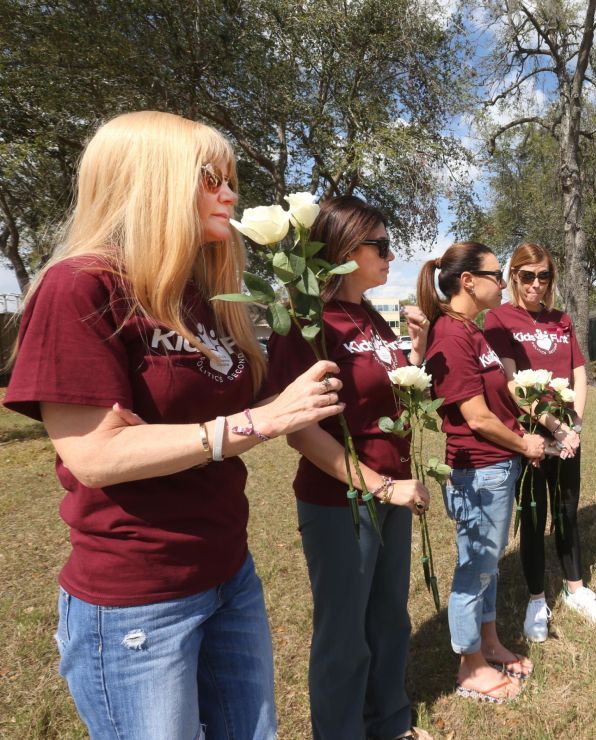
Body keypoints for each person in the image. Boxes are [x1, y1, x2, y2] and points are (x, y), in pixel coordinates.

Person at [2, 111, 346, 739]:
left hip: (228, 572)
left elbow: (251, 396)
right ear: (151, 181)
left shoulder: (205, 294)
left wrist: (305, 310)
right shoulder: (79, 286)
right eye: (210, 177)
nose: (232, 194)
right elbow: (97, 456)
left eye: (231, 178)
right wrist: (252, 425)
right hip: (138, 597)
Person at [264, 196, 433, 739]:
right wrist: (382, 486)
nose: (390, 256)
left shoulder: (367, 317)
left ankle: (390, 723)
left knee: (388, 619)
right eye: (379, 246)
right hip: (344, 501)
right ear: (340, 249)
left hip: (392, 492)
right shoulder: (307, 322)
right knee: (343, 633)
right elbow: (300, 429)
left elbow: (388, 393)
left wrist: (418, 347)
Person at [419, 241, 546, 703]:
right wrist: (524, 442)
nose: (504, 282)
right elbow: (475, 417)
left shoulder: (472, 331)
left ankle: (488, 641)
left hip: (496, 467)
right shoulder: (452, 335)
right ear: (467, 281)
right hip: (479, 470)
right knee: (474, 570)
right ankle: (469, 666)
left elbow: (498, 398)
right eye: (497, 274)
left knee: (488, 566)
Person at [483, 242, 596, 642]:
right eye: (527, 276)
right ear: (513, 276)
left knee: (567, 510)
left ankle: (576, 589)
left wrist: (575, 425)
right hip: (530, 437)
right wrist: (554, 428)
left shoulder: (561, 320)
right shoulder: (499, 319)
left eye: (543, 276)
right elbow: (510, 384)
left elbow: (578, 373)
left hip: (568, 434)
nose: (535, 284)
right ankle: (537, 599)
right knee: (535, 516)